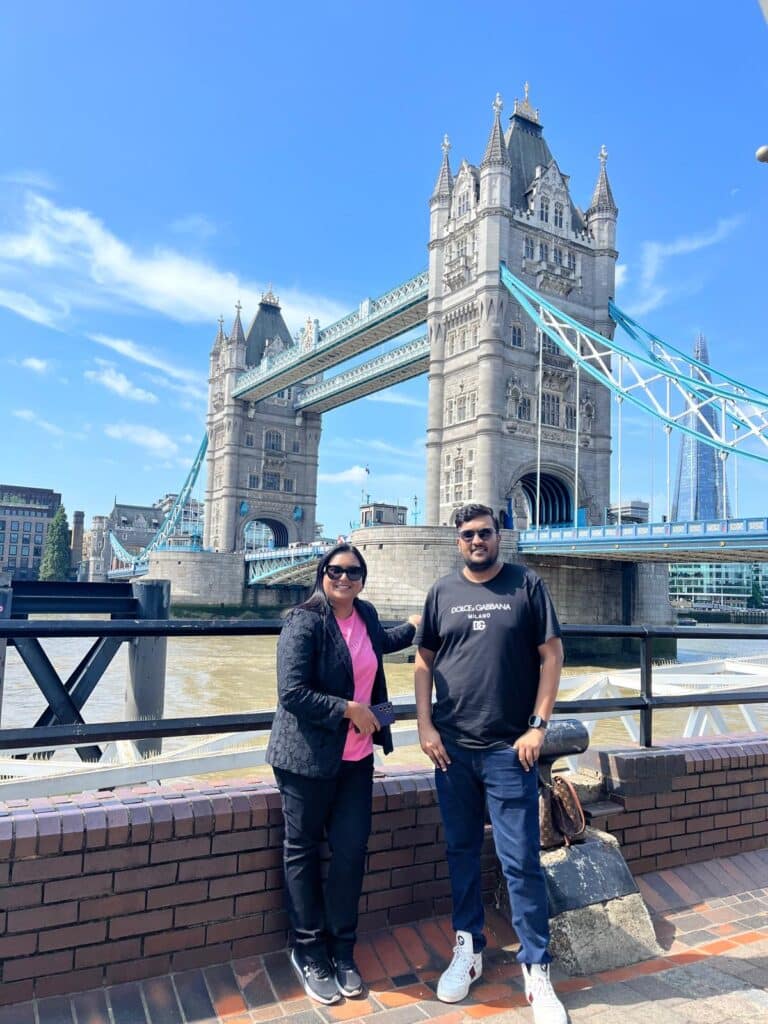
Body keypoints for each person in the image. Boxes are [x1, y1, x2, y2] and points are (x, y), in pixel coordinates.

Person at [414, 503, 567, 1024]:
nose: (476, 541)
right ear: (457, 541)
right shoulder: (441, 592)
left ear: (500, 536)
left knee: (519, 859)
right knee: (460, 852)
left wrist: (538, 727)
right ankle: (468, 949)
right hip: (452, 749)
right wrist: (425, 725)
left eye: (484, 533)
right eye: (467, 535)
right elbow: (423, 660)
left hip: (508, 750)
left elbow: (552, 655)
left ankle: (536, 967)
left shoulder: (526, 585)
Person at [266, 542, 419, 1005]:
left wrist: (416, 623)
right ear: (321, 573)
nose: (344, 578)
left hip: (357, 762)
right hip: (307, 760)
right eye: (335, 571)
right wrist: (350, 709)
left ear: (363, 578)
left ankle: (343, 950)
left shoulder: (366, 614)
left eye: (353, 572)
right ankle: (309, 951)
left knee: (351, 853)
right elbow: (292, 692)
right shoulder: (304, 621)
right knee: (303, 853)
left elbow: (383, 644)